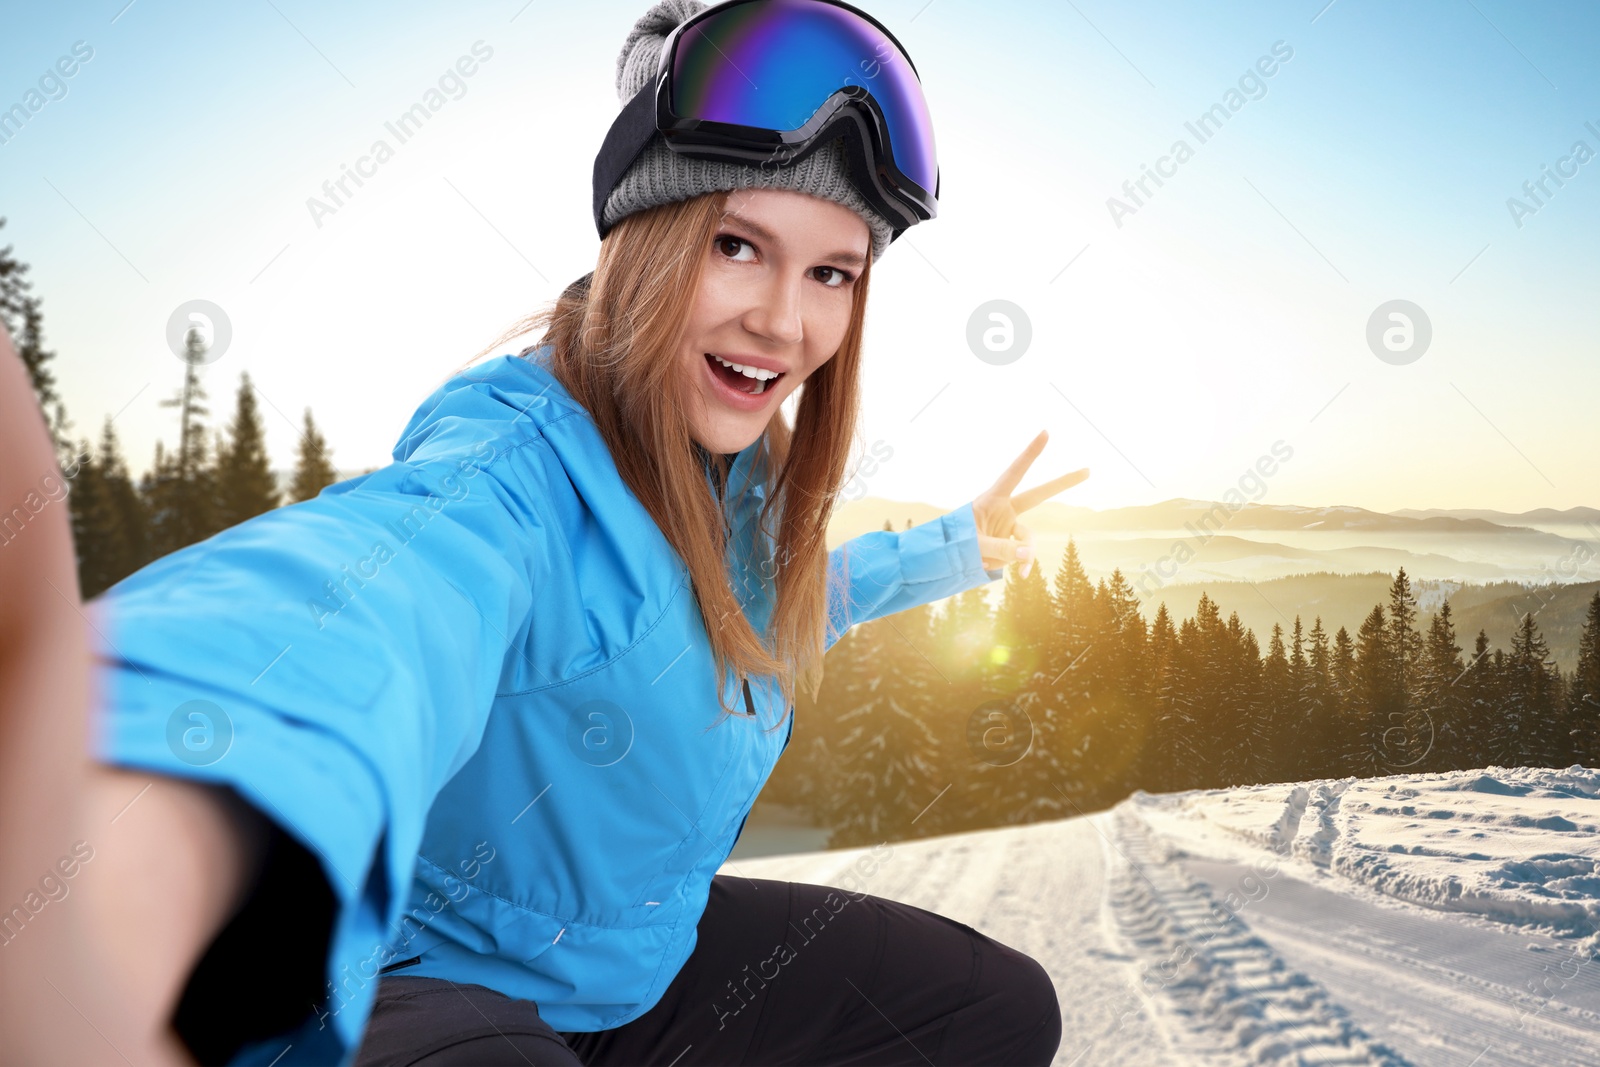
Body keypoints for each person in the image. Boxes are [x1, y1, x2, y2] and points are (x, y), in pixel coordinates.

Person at [9, 1, 1090, 1063]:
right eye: (735, 244)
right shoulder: (512, 473)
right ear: (647, 242)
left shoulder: (738, 479)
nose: (783, 320)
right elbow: (368, 602)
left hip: (625, 974)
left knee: (989, 1009)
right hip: (425, 987)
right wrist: (136, 827)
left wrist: (956, 545)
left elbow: (776, 609)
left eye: (831, 273)